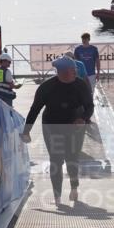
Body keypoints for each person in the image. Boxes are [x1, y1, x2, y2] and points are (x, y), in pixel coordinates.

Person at [21, 55, 94, 206]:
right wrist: (26, 131)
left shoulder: (80, 85)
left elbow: (89, 106)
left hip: (75, 126)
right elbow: (35, 109)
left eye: (75, 70)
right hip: (52, 125)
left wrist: (84, 118)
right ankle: (57, 197)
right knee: (56, 161)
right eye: (72, 71)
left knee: (72, 158)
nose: (75, 73)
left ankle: (74, 187)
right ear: (61, 72)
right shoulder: (46, 87)